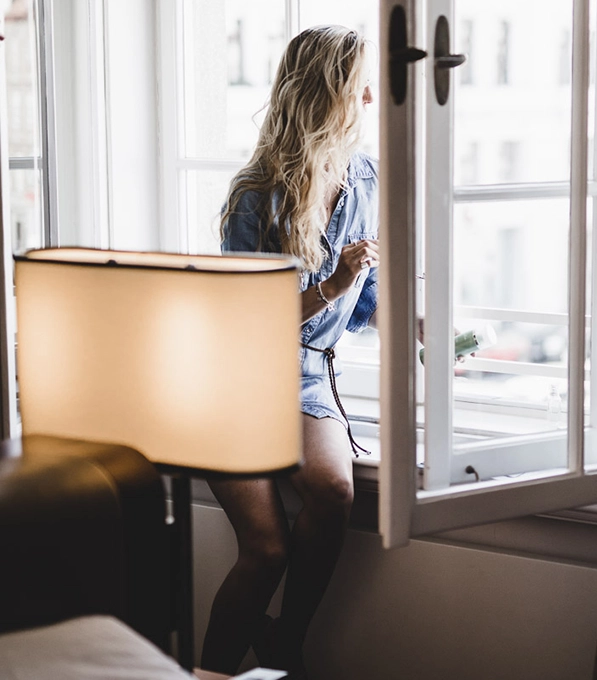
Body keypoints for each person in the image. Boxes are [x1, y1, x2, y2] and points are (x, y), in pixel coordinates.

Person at [201, 25, 378, 677]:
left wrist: (424, 328)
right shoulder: (257, 192)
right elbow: (248, 320)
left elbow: (364, 304)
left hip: (306, 377)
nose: (368, 102)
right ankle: (212, 671)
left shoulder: (366, 178)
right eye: (359, 88)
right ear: (327, 93)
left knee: (334, 490)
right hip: (237, 377)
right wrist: (333, 282)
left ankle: (285, 640)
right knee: (266, 548)